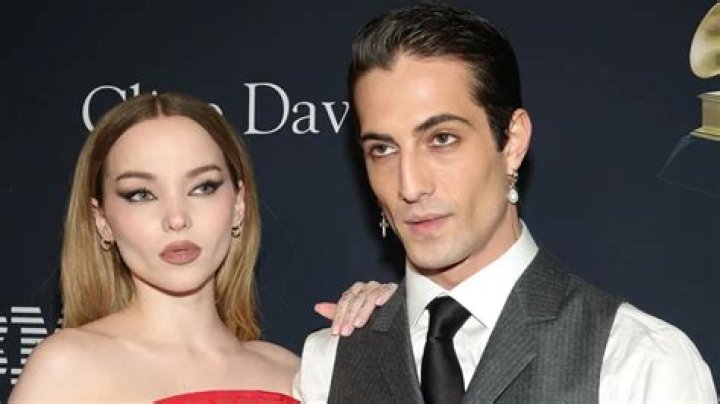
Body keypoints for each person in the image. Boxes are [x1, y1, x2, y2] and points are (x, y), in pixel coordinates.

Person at [297, 3, 717, 403]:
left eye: (442, 139)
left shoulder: (639, 361)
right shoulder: (330, 362)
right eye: (383, 149)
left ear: (512, 141)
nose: (410, 186)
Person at [8, 92, 394, 403]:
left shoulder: (293, 373)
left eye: (202, 187)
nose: (177, 218)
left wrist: (400, 340)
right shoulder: (67, 368)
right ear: (102, 220)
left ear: (238, 204)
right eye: (141, 194)